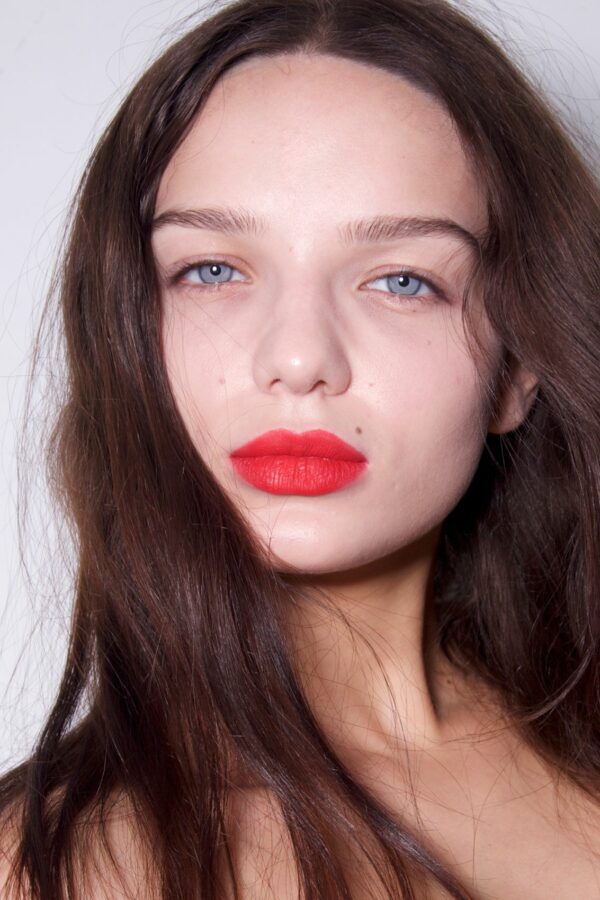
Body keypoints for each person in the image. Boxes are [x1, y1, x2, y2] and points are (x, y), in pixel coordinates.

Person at [1, 0, 600, 896]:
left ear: (518, 368)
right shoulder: (45, 866)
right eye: (212, 270)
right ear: (124, 338)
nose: (297, 358)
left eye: (403, 281)